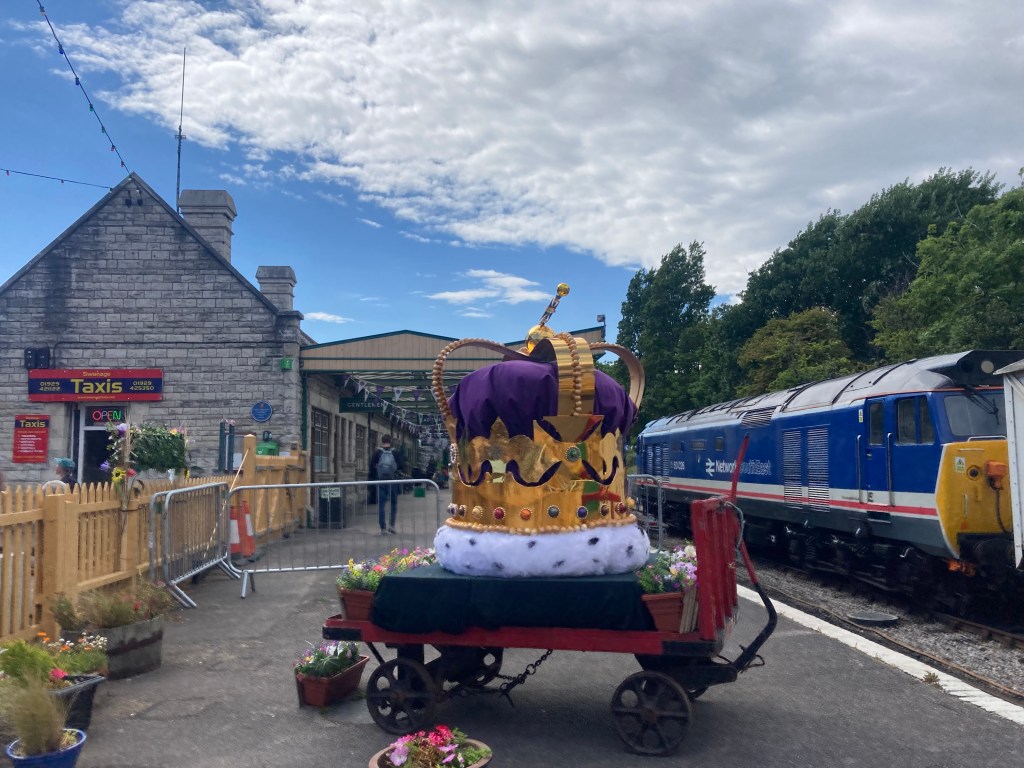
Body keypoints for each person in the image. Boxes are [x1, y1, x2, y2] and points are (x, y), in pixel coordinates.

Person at [370, 435, 402, 534]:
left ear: (382, 441)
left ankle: (383, 528)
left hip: (381, 481)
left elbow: (371, 466)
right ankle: (392, 526)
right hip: (393, 480)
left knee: (381, 505)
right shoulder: (395, 452)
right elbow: (401, 465)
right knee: (393, 503)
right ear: (390, 441)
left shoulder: (377, 452)